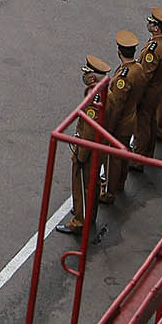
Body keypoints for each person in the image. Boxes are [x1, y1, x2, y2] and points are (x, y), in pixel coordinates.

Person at [62, 55, 110, 232]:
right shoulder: (106, 93)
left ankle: (81, 220)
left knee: (84, 185)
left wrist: (79, 156)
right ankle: (88, 215)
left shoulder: (94, 101)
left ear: (92, 77)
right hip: (101, 146)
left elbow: (89, 132)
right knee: (93, 184)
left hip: (89, 150)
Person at [100, 31, 149, 199]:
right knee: (124, 153)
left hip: (121, 123)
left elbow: (117, 106)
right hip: (132, 118)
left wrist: (109, 128)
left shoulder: (124, 77)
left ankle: (110, 192)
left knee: (113, 159)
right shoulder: (138, 68)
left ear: (119, 51)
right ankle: (120, 183)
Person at [134, 7, 162, 154]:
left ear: (157, 28)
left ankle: (139, 156)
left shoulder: (154, 49)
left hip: (149, 91)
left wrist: (137, 93)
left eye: (152, 24)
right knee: (151, 120)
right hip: (159, 88)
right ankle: (148, 152)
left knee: (143, 124)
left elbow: (145, 74)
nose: (150, 26)